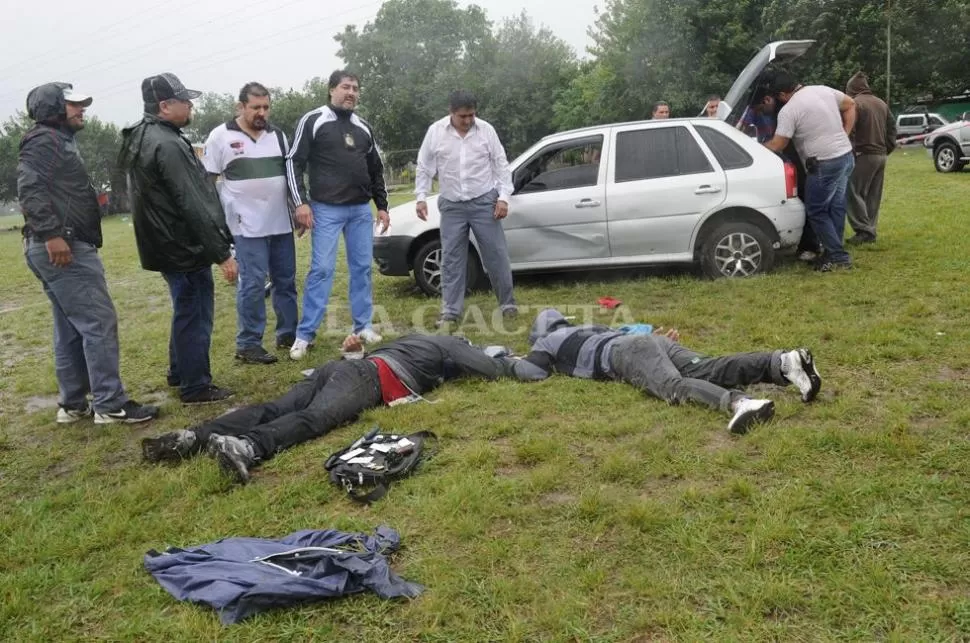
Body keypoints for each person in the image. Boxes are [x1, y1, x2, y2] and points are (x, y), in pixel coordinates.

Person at [141, 333, 522, 484]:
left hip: (339, 368)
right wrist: (513, 362)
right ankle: (248, 448)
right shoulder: (445, 344)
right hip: (363, 379)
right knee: (317, 418)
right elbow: (489, 368)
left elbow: (367, 351)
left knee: (274, 406)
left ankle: (191, 437)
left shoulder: (410, 339)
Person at [18, 83, 159, 425]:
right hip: (62, 245)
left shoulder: (55, 140)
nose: (82, 110)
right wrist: (52, 234)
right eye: (73, 105)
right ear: (53, 108)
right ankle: (110, 404)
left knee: (70, 327)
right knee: (98, 321)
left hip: (56, 244)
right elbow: (29, 186)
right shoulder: (45, 141)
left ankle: (73, 403)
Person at [507, 309, 822, 434]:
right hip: (645, 341)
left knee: (673, 387)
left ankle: (740, 403)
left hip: (625, 353)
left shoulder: (549, 339)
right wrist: (659, 343)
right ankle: (784, 362)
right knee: (710, 367)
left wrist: (513, 358)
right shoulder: (590, 327)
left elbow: (531, 372)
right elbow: (637, 331)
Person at [119, 73, 238, 404]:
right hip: (182, 247)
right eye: (185, 101)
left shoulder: (140, 135)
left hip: (162, 244)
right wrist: (221, 253)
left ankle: (179, 371)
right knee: (195, 313)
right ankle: (196, 385)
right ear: (165, 106)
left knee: (184, 309)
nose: (190, 106)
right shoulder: (168, 144)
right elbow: (193, 202)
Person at [285, 70, 390, 360]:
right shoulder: (314, 120)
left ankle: (363, 326)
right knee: (321, 270)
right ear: (332, 90)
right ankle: (305, 335)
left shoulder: (362, 126)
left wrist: (381, 205)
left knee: (362, 269)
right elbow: (293, 162)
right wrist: (300, 203)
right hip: (326, 209)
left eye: (356, 88)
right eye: (346, 87)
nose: (351, 93)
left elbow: (376, 169)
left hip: (359, 210)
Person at [203, 82, 298, 364]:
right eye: (255, 107)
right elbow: (207, 184)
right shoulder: (220, 137)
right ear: (240, 107)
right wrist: (217, 224)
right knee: (254, 283)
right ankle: (248, 344)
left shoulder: (278, 136)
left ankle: (288, 334)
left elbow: (291, 176)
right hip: (246, 226)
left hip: (281, 222)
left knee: (286, 281)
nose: (262, 113)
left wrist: (297, 209)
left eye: (266, 107)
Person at [415, 90, 517, 328]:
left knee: (496, 255)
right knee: (451, 259)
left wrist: (503, 198)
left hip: (484, 202)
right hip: (452, 206)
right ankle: (450, 310)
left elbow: (501, 165)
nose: (469, 120)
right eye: (463, 116)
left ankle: (507, 303)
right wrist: (420, 197)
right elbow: (424, 165)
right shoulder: (435, 132)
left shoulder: (486, 131)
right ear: (451, 112)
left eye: (472, 115)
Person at [764, 71, 857, 272]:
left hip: (824, 163)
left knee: (816, 210)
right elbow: (850, 104)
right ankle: (833, 252)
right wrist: (845, 134)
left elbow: (779, 143)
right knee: (836, 206)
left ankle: (838, 256)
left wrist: (759, 148)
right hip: (846, 156)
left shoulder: (789, 110)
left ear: (781, 94)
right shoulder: (823, 90)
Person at [844, 71, 895, 244]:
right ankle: (870, 229)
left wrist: (850, 152)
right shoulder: (881, 103)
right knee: (873, 194)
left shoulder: (855, 104)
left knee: (852, 190)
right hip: (881, 155)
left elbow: (851, 131)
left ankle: (863, 230)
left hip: (864, 154)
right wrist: (888, 148)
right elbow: (892, 128)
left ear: (852, 88)